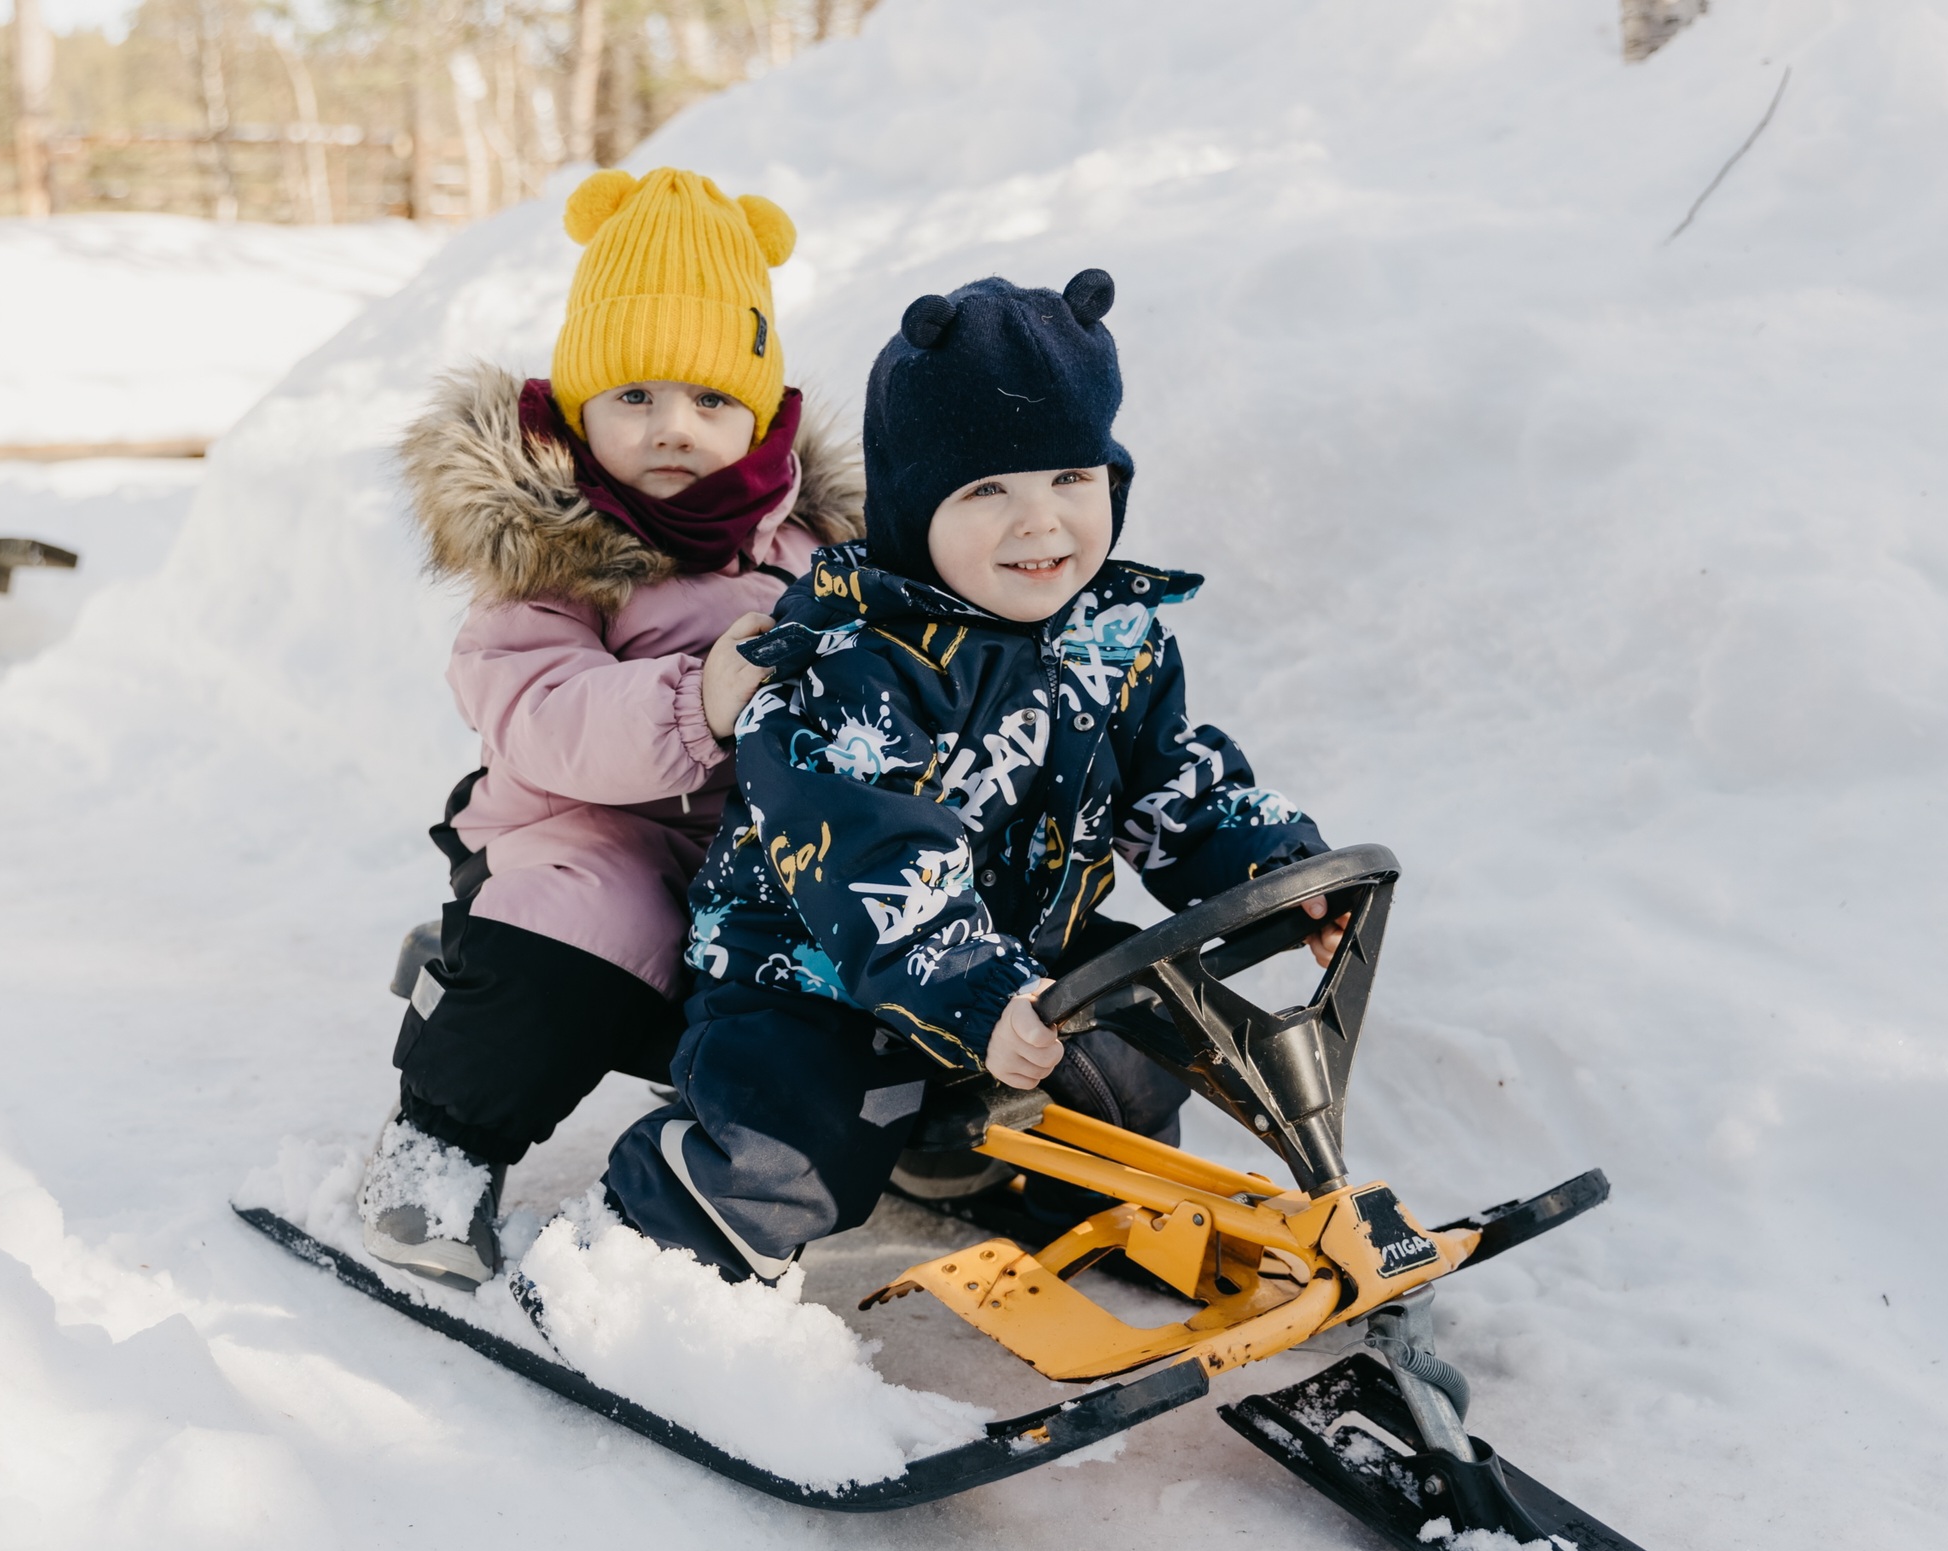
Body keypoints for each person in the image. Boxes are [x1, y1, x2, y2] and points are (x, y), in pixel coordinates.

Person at [598, 267, 1345, 1282]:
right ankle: (654, 1248)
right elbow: (873, 865)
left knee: (1142, 1054)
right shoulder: (849, 666)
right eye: (989, 489)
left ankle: (1053, 1193)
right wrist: (977, 992)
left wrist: (1279, 875)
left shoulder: (1112, 641)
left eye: (1072, 481)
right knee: (801, 1139)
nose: (1041, 525)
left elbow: (1173, 785)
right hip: (825, 979)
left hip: (1018, 966)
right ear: (912, 506)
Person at [364, 166, 863, 1286]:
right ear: (580, 406)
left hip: (767, 852)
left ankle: (916, 1131)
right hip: (593, 831)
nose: (673, 427)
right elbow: (538, 711)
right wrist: (699, 698)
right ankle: (438, 1143)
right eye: (634, 396)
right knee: (587, 913)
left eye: (709, 399)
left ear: (762, 412)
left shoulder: (818, 553)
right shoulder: (551, 550)